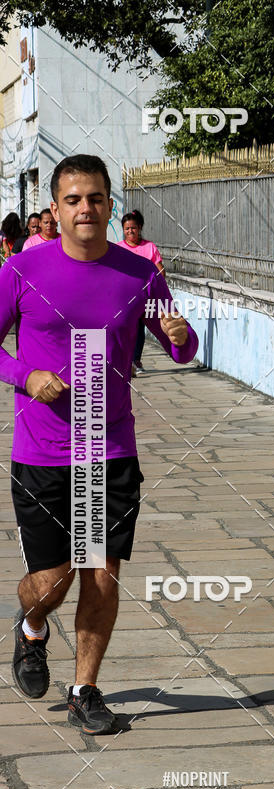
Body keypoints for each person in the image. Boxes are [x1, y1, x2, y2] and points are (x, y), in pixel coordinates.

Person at [0, 154, 199, 734]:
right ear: (56, 210)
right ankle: (32, 627)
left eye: (96, 198)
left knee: (102, 574)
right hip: (41, 451)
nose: (86, 208)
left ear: (110, 205)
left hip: (109, 450)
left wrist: (181, 336)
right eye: (73, 199)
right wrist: (24, 376)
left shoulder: (139, 274)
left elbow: (181, 349)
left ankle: (85, 688)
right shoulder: (21, 271)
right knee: (53, 580)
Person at [116, 210, 165, 376]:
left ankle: (136, 360)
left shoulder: (149, 248)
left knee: (139, 328)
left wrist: (156, 288)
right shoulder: (118, 249)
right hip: (123, 297)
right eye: (127, 228)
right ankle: (124, 360)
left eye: (133, 228)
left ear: (140, 228)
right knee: (124, 328)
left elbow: (160, 271)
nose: (130, 231)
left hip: (144, 297)